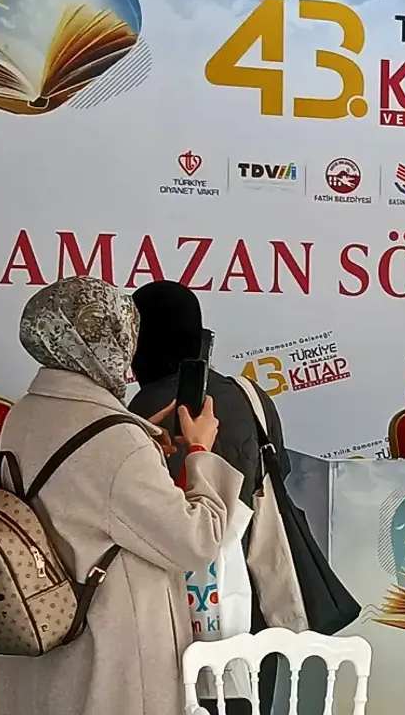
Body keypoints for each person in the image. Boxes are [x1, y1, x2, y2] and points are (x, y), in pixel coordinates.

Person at [0, 277, 244, 715]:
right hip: (108, 646)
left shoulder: (23, 412)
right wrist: (200, 452)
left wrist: (139, 440)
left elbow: (82, 493)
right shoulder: (115, 440)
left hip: (44, 631)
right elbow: (197, 541)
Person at [127, 280, 297, 715]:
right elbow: (278, 474)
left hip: (175, 590)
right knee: (248, 694)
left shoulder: (140, 411)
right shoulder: (252, 396)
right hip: (254, 580)